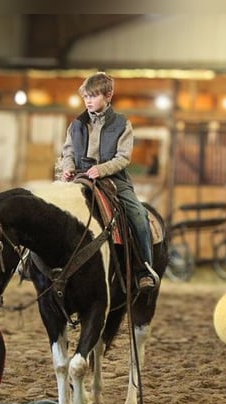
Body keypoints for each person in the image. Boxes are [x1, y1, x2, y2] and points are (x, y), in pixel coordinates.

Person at [59, 72, 159, 292]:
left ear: (108, 95)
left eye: (93, 96)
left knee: (138, 214)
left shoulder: (122, 124)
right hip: (79, 178)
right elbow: (67, 152)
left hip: (114, 179)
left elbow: (123, 157)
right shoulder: (76, 125)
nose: (88, 100)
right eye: (86, 96)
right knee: (49, 207)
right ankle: (30, 262)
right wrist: (67, 168)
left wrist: (102, 169)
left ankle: (144, 269)